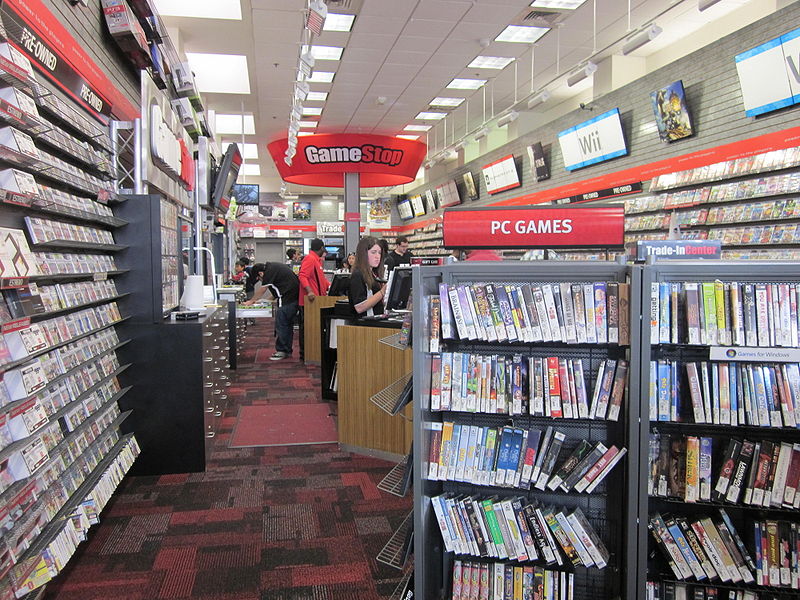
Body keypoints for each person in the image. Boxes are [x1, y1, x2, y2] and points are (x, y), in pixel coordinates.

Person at [242, 262, 300, 360]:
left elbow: (263, 289)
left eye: (259, 279)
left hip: (287, 300)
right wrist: (267, 300)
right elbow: (278, 288)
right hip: (292, 298)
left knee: (282, 325)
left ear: (260, 274)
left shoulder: (269, 272)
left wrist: (251, 301)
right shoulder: (273, 267)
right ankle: (286, 350)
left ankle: (282, 350)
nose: (261, 281)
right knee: (287, 325)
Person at [298, 238, 330, 360]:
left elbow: (321, 280)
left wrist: (330, 286)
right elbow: (302, 276)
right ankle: (305, 353)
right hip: (309, 302)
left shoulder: (316, 261)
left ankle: (310, 352)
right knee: (307, 328)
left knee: (313, 327)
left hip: (317, 301)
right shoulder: (310, 259)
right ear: (321, 248)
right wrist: (310, 291)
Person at [348, 236, 386, 317]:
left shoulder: (373, 274)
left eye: (379, 252)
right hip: (366, 324)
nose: (377, 256)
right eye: (373, 252)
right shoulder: (358, 275)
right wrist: (382, 292)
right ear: (363, 254)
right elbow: (359, 307)